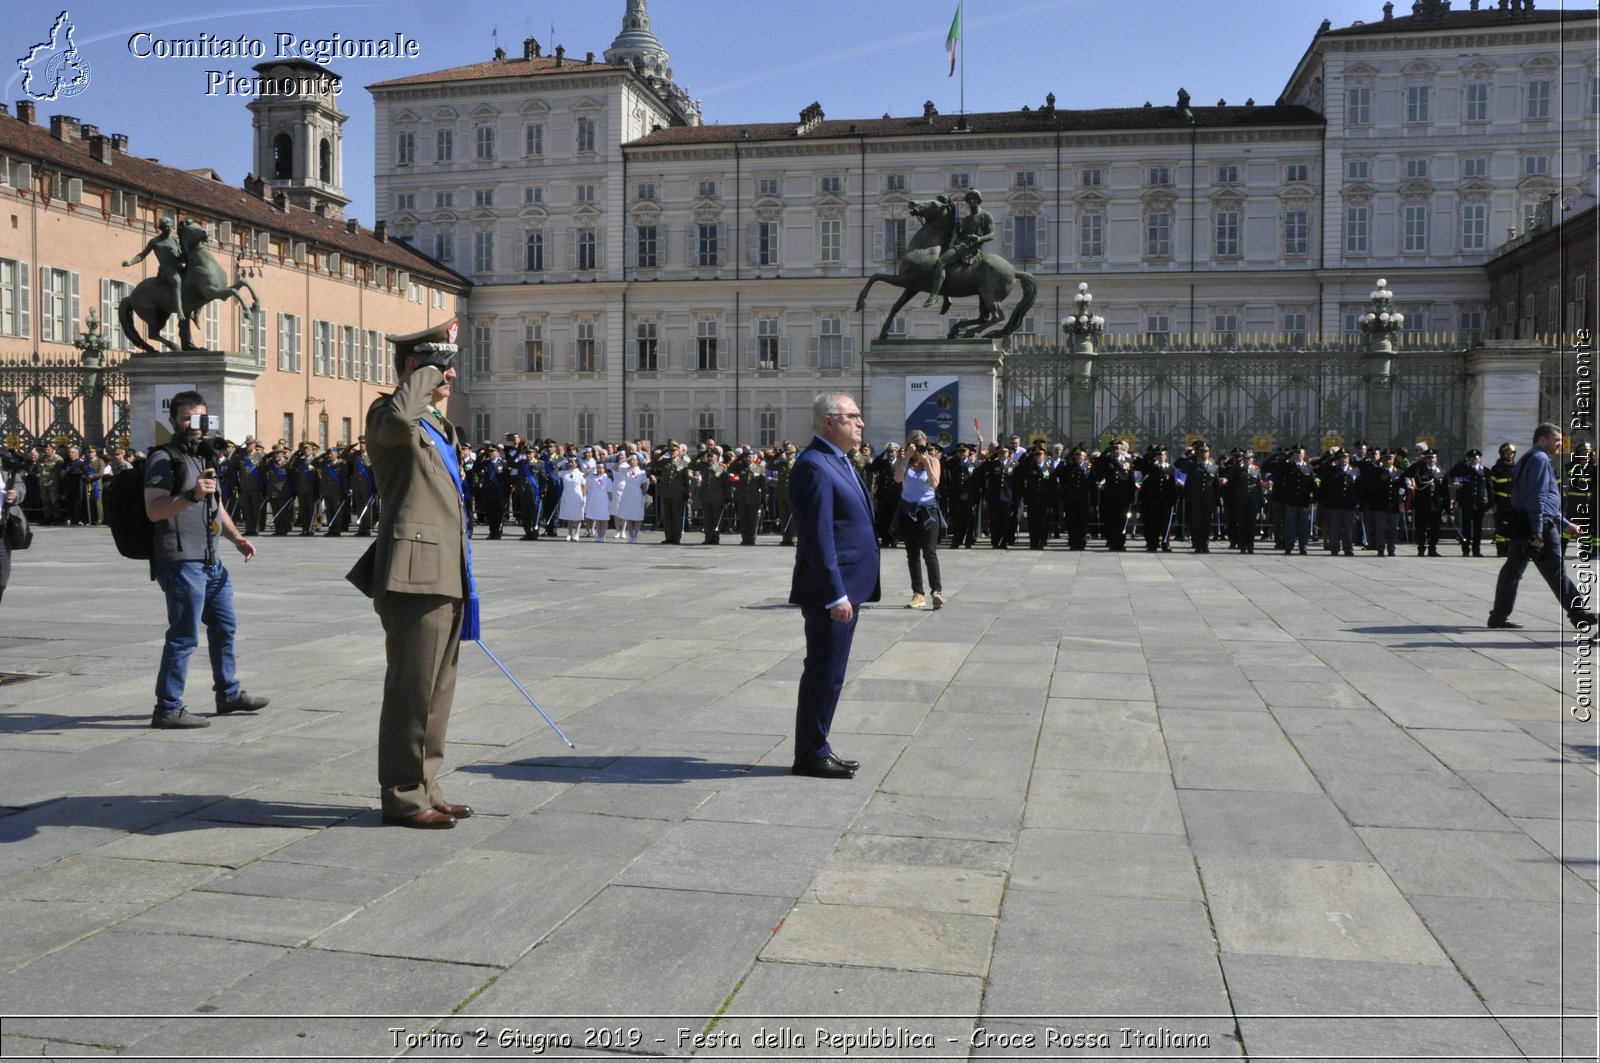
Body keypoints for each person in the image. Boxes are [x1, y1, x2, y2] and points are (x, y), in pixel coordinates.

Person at [347, 320, 475, 829]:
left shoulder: (437, 426)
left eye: (448, 368)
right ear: (412, 369)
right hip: (412, 572)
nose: (448, 376)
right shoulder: (389, 417)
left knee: (436, 691)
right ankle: (402, 796)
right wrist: (422, 373)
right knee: (411, 689)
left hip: (446, 567)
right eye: (439, 368)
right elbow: (400, 415)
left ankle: (427, 784)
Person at [143, 390, 268, 729]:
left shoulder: (202, 458)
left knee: (225, 627)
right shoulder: (163, 458)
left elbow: (216, 506)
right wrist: (191, 494)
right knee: (184, 635)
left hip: (211, 561)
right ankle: (168, 707)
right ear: (173, 420)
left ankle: (228, 693)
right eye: (186, 418)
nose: (194, 425)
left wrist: (236, 538)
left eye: (200, 418)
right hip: (181, 560)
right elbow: (154, 511)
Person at [789, 392, 880, 779]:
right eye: (852, 416)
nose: (860, 423)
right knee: (824, 671)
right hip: (833, 590)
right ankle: (810, 752)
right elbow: (818, 537)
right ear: (828, 421)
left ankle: (818, 745)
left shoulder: (837, 461)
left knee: (833, 671)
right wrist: (835, 594)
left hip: (849, 584)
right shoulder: (814, 465)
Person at [1488, 423, 1598, 632]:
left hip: (1525, 523)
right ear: (1542, 440)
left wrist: (1565, 524)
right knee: (1555, 571)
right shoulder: (1539, 459)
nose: (1560, 444)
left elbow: (1541, 498)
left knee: (1512, 570)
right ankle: (1579, 613)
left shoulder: (1528, 458)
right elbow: (1538, 497)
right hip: (1539, 525)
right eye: (1557, 440)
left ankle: (1498, 616)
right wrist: (1538, 531)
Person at [893, 429, 944, 607]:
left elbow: (934, 483)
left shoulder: (934, 460)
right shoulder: (903, 461)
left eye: (923, 446)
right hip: (908, 511)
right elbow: (898, 479)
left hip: (928, 511)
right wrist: (906, 457)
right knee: (912, 554)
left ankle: (936, 591)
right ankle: (918, 593)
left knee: (929, 552)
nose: (920, 449)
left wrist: (926, 461)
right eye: (916, 446)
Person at [924, 189, 995, 307]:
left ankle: (934, 296)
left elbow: (992, 235)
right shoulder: (966, 218)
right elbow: (962, 235)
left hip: (970, 248)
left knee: (941, 262)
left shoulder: (986, 216)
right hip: (961, 244)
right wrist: (958, 230)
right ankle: (946, 298)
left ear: (978, 200)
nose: (972, 201)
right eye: (969, 199)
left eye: (974, 199)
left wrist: (979, 239)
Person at [122, 215, 186, 322]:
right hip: (167, 269)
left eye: (170, 226)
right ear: (161, 228)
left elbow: (181, 256)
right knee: (177, 281)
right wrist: (130, 262)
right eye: (166, 226)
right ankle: (179, 311)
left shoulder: (175, 241)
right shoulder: (155, 242)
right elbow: (142, 255)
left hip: (178, 266)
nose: (169, 228)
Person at [1, 463, 25, 603]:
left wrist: (15, 493)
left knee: (2, 579)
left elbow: (20, 486)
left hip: (2, 530)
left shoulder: (7, 469)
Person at [614, 453, 649, 542]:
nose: (632, 461)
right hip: (627, 494)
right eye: (631, 460)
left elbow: (644, 485)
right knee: (628, 516)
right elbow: (614, 468)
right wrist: (624, 460)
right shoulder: (626, 470)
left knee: (637, 517)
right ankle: (631, 536)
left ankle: (635, 536)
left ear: (637, 461)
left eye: (634, 460)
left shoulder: (642, 472)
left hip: (637, 495)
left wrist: (644, 496)